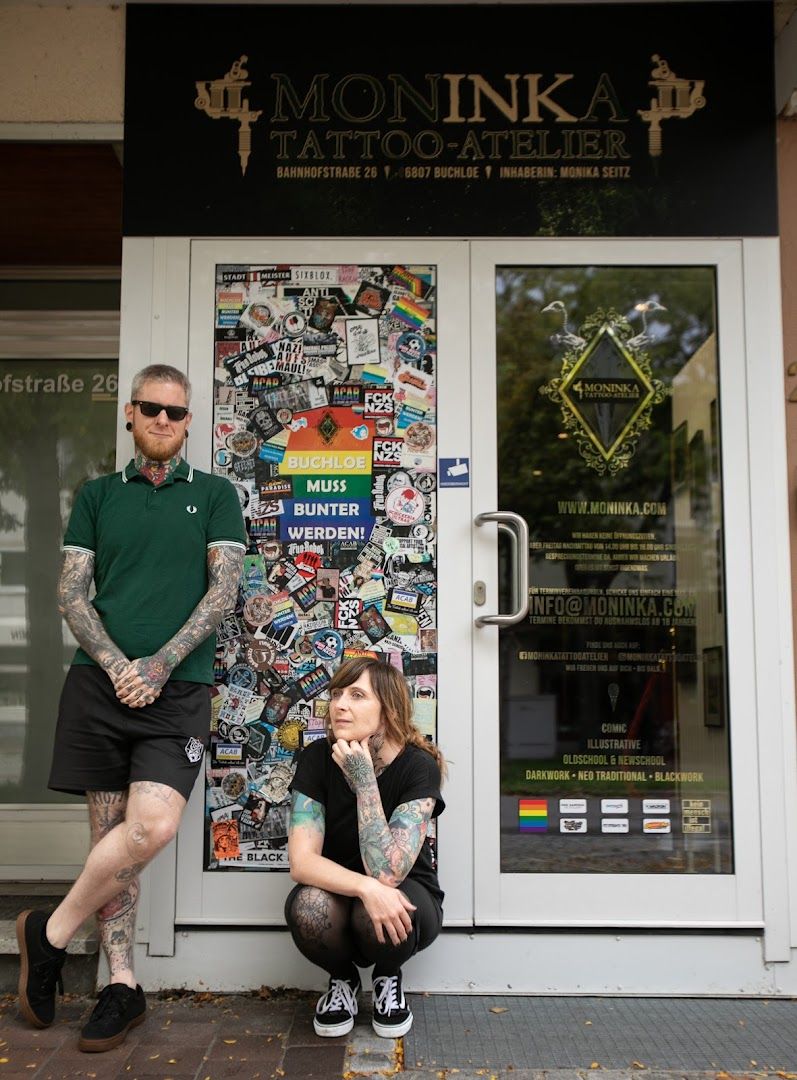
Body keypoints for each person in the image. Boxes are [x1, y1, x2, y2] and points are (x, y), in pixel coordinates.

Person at [16, 364, 246, 1053]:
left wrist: (160, 664)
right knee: (110, 844)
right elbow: (71, 593)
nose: (164, 422)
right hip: (99, 687)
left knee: (148, 829)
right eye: (151, 409)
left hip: (175, 692)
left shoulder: (212, 493)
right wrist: (119, 667)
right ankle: (121, 985)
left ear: (187, 422)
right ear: (129, 413)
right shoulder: (94, 495)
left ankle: (47, 934)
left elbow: (223, 592)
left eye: (177, 413)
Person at [286, 655, 445, 1039]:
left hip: (407, 893)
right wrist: (364, 888)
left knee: (382, 904)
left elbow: (388, 872)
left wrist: (363, 780)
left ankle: (388, 976)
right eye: (337, 693)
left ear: (388, 711)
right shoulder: (316, 759)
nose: (339, 704)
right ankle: (343, 981)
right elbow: (302, 863)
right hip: (342, 892)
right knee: (307, 906)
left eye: (357, 695)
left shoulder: (418, 767)